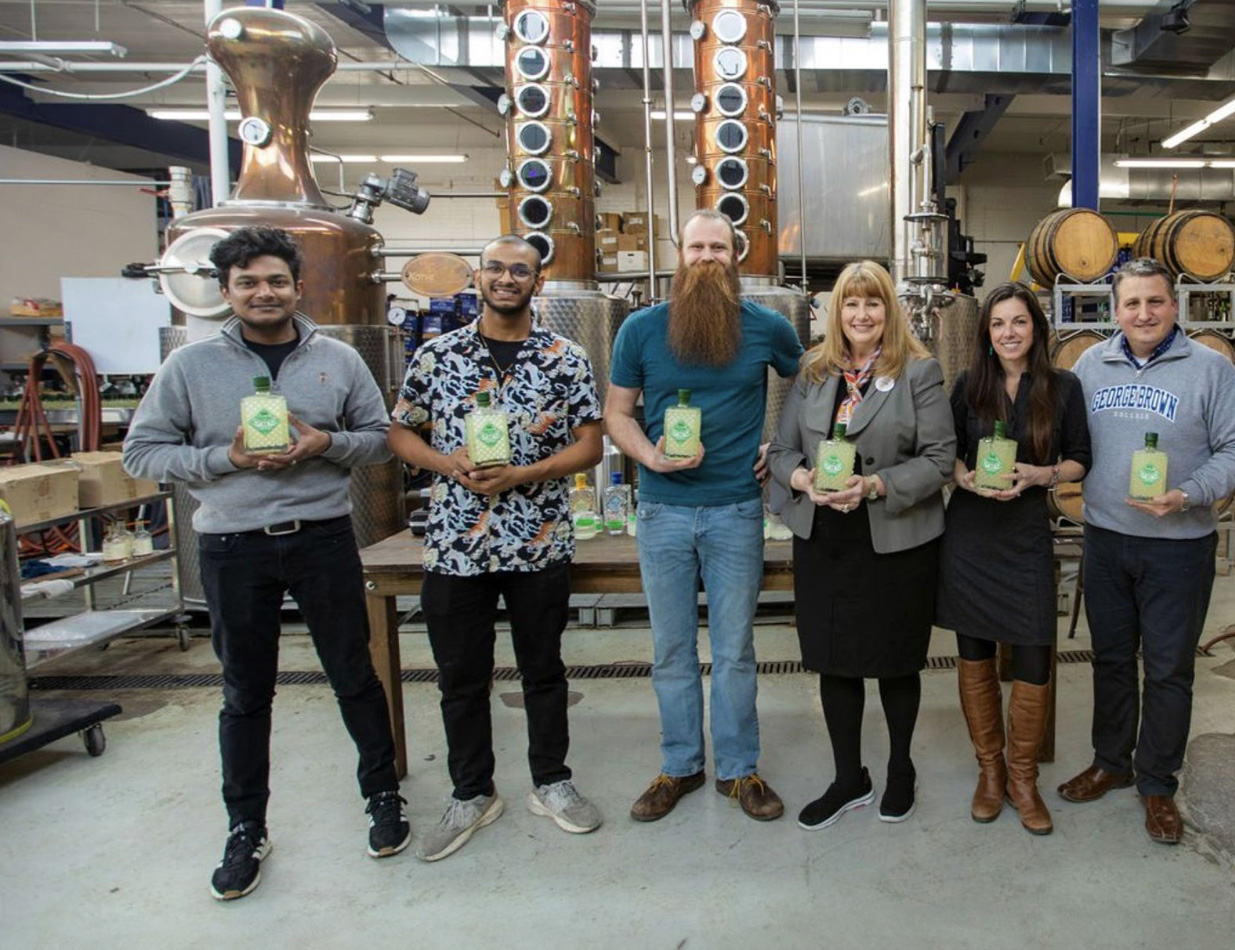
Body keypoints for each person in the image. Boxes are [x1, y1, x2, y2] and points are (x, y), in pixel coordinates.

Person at [123, 225, 406, 900]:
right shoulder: (189, 367)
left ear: (298, 288)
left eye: (276, 280)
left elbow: (379, 441)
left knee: (355, 676)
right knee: (245, 693)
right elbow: (142, 453)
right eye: (247, 282)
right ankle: (246, 825)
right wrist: (229, 459)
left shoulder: (336, 358)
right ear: (225, 292)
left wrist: (323, 444)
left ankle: (384, 798)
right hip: (232, 543)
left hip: (322, 536)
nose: (263, 292)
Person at [388, 235, 605, 861]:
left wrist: (522, 474)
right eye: (496, 268)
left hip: (537, 544)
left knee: (544, 670)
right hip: (457, 545)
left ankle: (551, 782)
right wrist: (444, 463)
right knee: (460, 677)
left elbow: (589, 446)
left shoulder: (565, 357)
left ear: (537, 283)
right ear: (476, 278)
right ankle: (472, 792)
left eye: (521, 270)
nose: (507, 278)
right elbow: (400, 432)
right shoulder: (437, 355)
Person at [604, 209, 804, 822]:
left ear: (735, 255)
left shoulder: (766, 326)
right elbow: (616, 414)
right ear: (680, 254)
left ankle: (739, 771)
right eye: (697, 247)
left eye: (719, 247)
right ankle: (681, 764)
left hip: (736, 512)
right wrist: (650, 459)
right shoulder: (641, 329)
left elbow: (811, 387)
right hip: (662, 512)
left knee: (736, 649)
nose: (708, 257)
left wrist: (781, 446)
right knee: (670, 649)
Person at [1063, 258, 1235, 845]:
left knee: (1170, 669)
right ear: (1115, 310)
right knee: (1112, 659)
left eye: (1155, 302)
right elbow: (1072, 442)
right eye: (1131, 304)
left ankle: (1157, 782)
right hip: (1105, 539)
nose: (1143, 314)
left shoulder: (1210, 371)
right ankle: (1112, 762)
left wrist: (1188, 494)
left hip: (1180, 546)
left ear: (1175, 306)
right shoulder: (1089, 364)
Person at [767, 260, 956, 830]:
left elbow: (940, 459)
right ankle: (849, 777)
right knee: (835, 663)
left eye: (873, 303)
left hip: (893, 539)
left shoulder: (919, 371)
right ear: (835, 313)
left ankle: (901, 770)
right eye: (851, 304)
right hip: (826, 538)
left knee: (896, 662)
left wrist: (874, 485)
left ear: (889, 310)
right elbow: (781, 452)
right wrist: (804, 482)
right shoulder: (813, 370)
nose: (862, 315)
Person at [937, 282, 1091, 836]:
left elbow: (1080, 461)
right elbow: (946, 452)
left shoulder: (1063, 387)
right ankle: (991, 772)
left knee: (1033, 655)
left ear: (1036, 329)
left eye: (1019, 322)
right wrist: (966, 478)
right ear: (986, 333)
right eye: (998, 323)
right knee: (974, 656)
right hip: (971, 537)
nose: (1008, 332)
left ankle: (1023, 777)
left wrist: (1040, 474)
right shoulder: (966, 385)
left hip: (1026, 535)